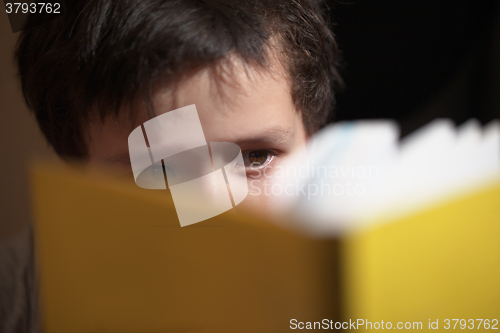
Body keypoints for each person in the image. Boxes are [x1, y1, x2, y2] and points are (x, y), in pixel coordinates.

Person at [3, 0, 342, 331]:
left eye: (256, 157)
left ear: (311, 144)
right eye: (160, 171)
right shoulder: (18, 298)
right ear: (77, 186)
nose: (215, 211)